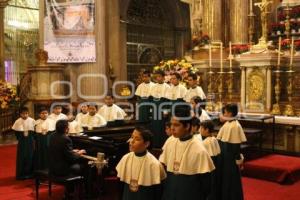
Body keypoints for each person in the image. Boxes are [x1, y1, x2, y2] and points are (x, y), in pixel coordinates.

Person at [159, 104, 215, 200]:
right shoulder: (170, 142)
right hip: (170, 193)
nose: (172, 128)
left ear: (187, 126)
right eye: (171, 124)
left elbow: (206, 185)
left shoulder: (199, 149)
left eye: (176, 125)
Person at [116, 127, 166, 200]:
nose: (131, 141)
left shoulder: (154, 163)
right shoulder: (125, 158)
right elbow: (121, 186)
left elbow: (158, 192)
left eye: (137, 139)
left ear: (146, 144)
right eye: (132, 137)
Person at [217, 104, 246, 200]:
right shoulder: (228, 123)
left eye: (224, 112)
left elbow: (236, 146)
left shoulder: (235, 126)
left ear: (230, 113)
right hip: (224, 156)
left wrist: (238, 160)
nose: (223, 114)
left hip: (230, 159)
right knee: (225, 180)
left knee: (231, 181)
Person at [12, 107, 35, 180]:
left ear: (28, 113)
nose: (25, 115)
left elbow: (34, 131)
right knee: (22, 157)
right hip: (22, 141)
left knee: (30, 156)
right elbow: (16, 133)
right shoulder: (17, 121)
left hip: (30, 141)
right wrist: (21, 136)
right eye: (23, 114)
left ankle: (30, 173)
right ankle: (21, 174)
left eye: (26, 113)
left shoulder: (32, 120)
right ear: (20, 114)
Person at [200, 120, 221, 200]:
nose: (200, 130)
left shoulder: (205, 142)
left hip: (207, 169)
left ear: (207, 130)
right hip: (215, 167)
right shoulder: (214, 139)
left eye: (202, 128)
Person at [149, 70, 170, 148]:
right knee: (154, 127)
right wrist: (151, 111)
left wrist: (166, 111)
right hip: (155, 109)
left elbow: (167, 101)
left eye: (159, 76)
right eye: (157, 77)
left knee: (161, 128)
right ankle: (155, 144)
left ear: (163, 77)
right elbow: (151, 99)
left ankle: (162, 145)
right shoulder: (153, 86)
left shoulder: (167, 87)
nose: (158, 78)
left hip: (162, 109)